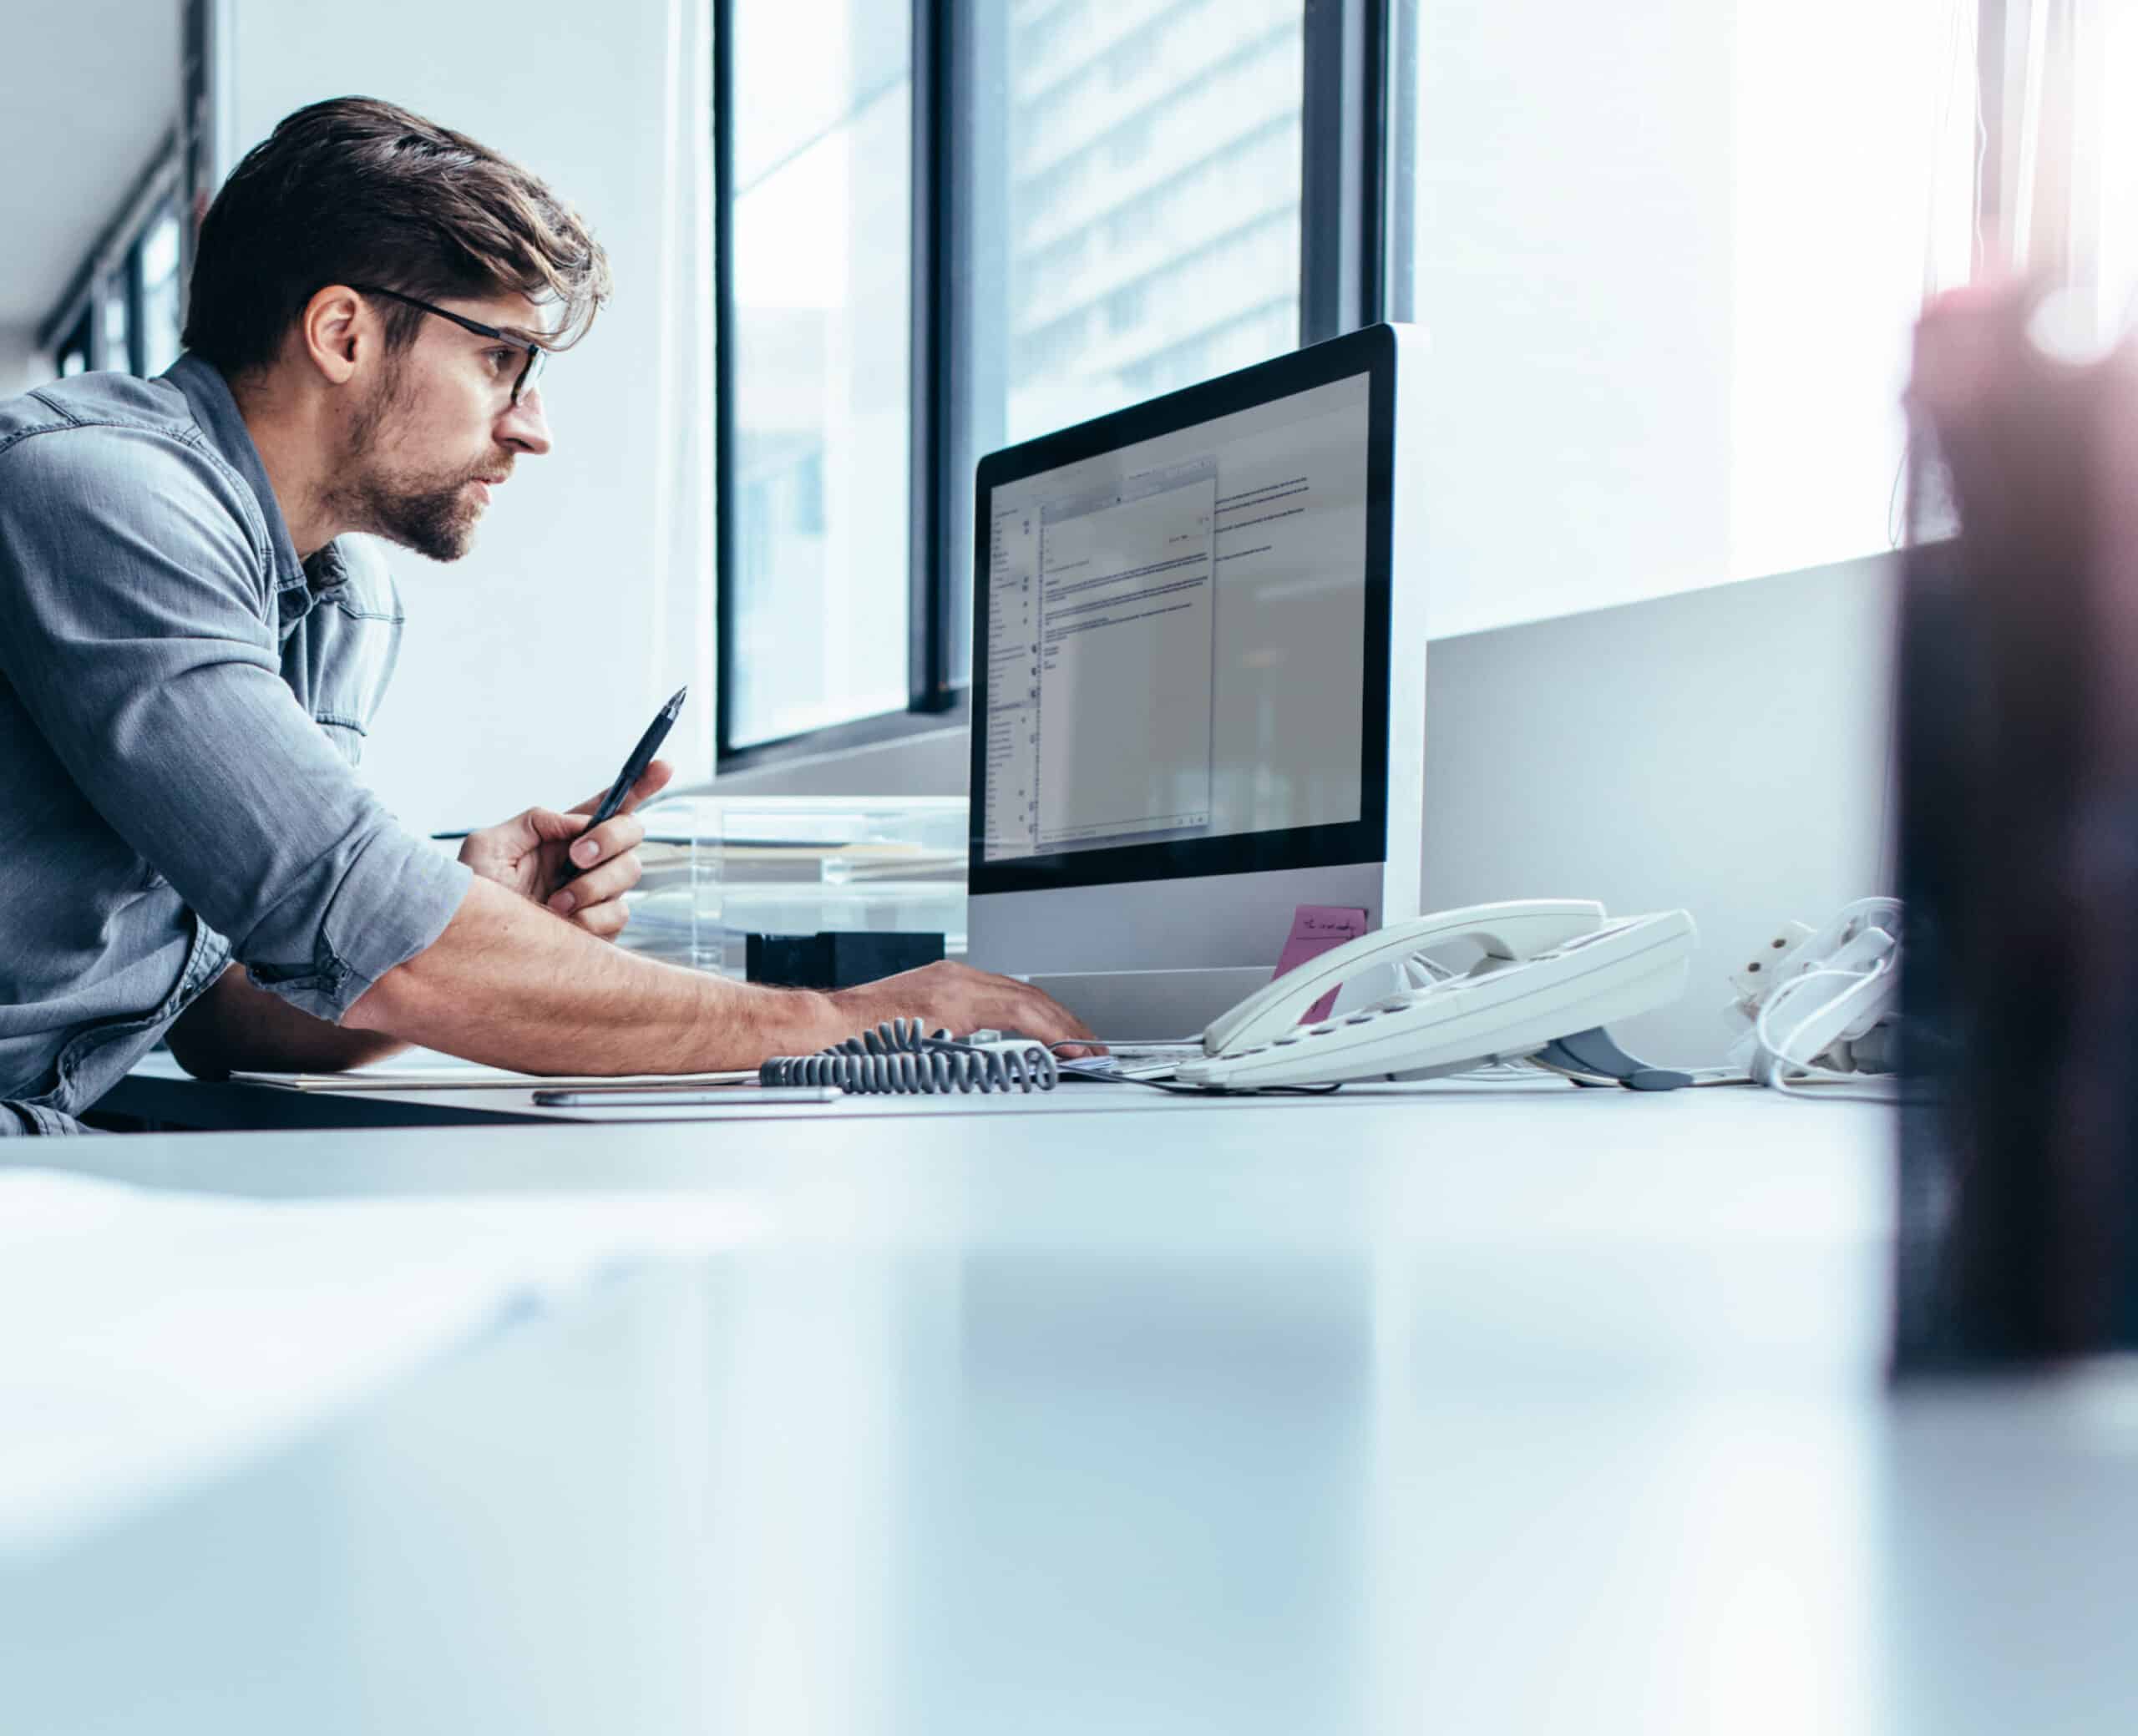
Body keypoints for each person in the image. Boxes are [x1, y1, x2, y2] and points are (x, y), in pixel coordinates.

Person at [0, 96, 1089, 1136]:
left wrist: (496, 931)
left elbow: (224, 1010)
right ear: (341, 333)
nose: (533, 429)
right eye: (502, 359)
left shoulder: (338, 600)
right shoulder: (100, 499)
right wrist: (846, 1024)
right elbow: (368, 934)